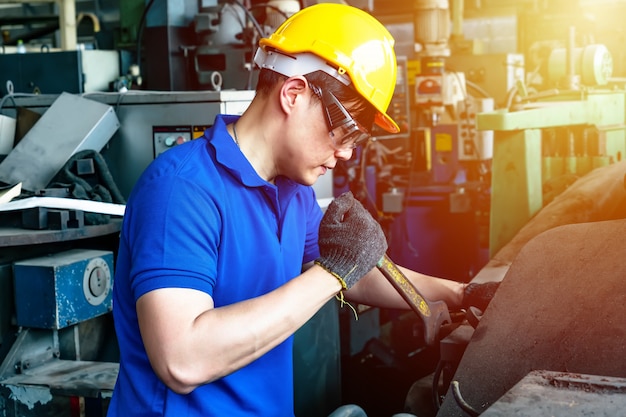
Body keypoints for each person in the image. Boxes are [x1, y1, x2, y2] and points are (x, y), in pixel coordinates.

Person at [107, 3, 499, 417]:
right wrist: (332, 273)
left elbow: (357, 273)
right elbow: (181, 360)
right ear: (293, 94)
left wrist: (458, 293)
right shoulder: (181, 189)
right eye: (343, 132)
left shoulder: (292, 192)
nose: (347, 153)